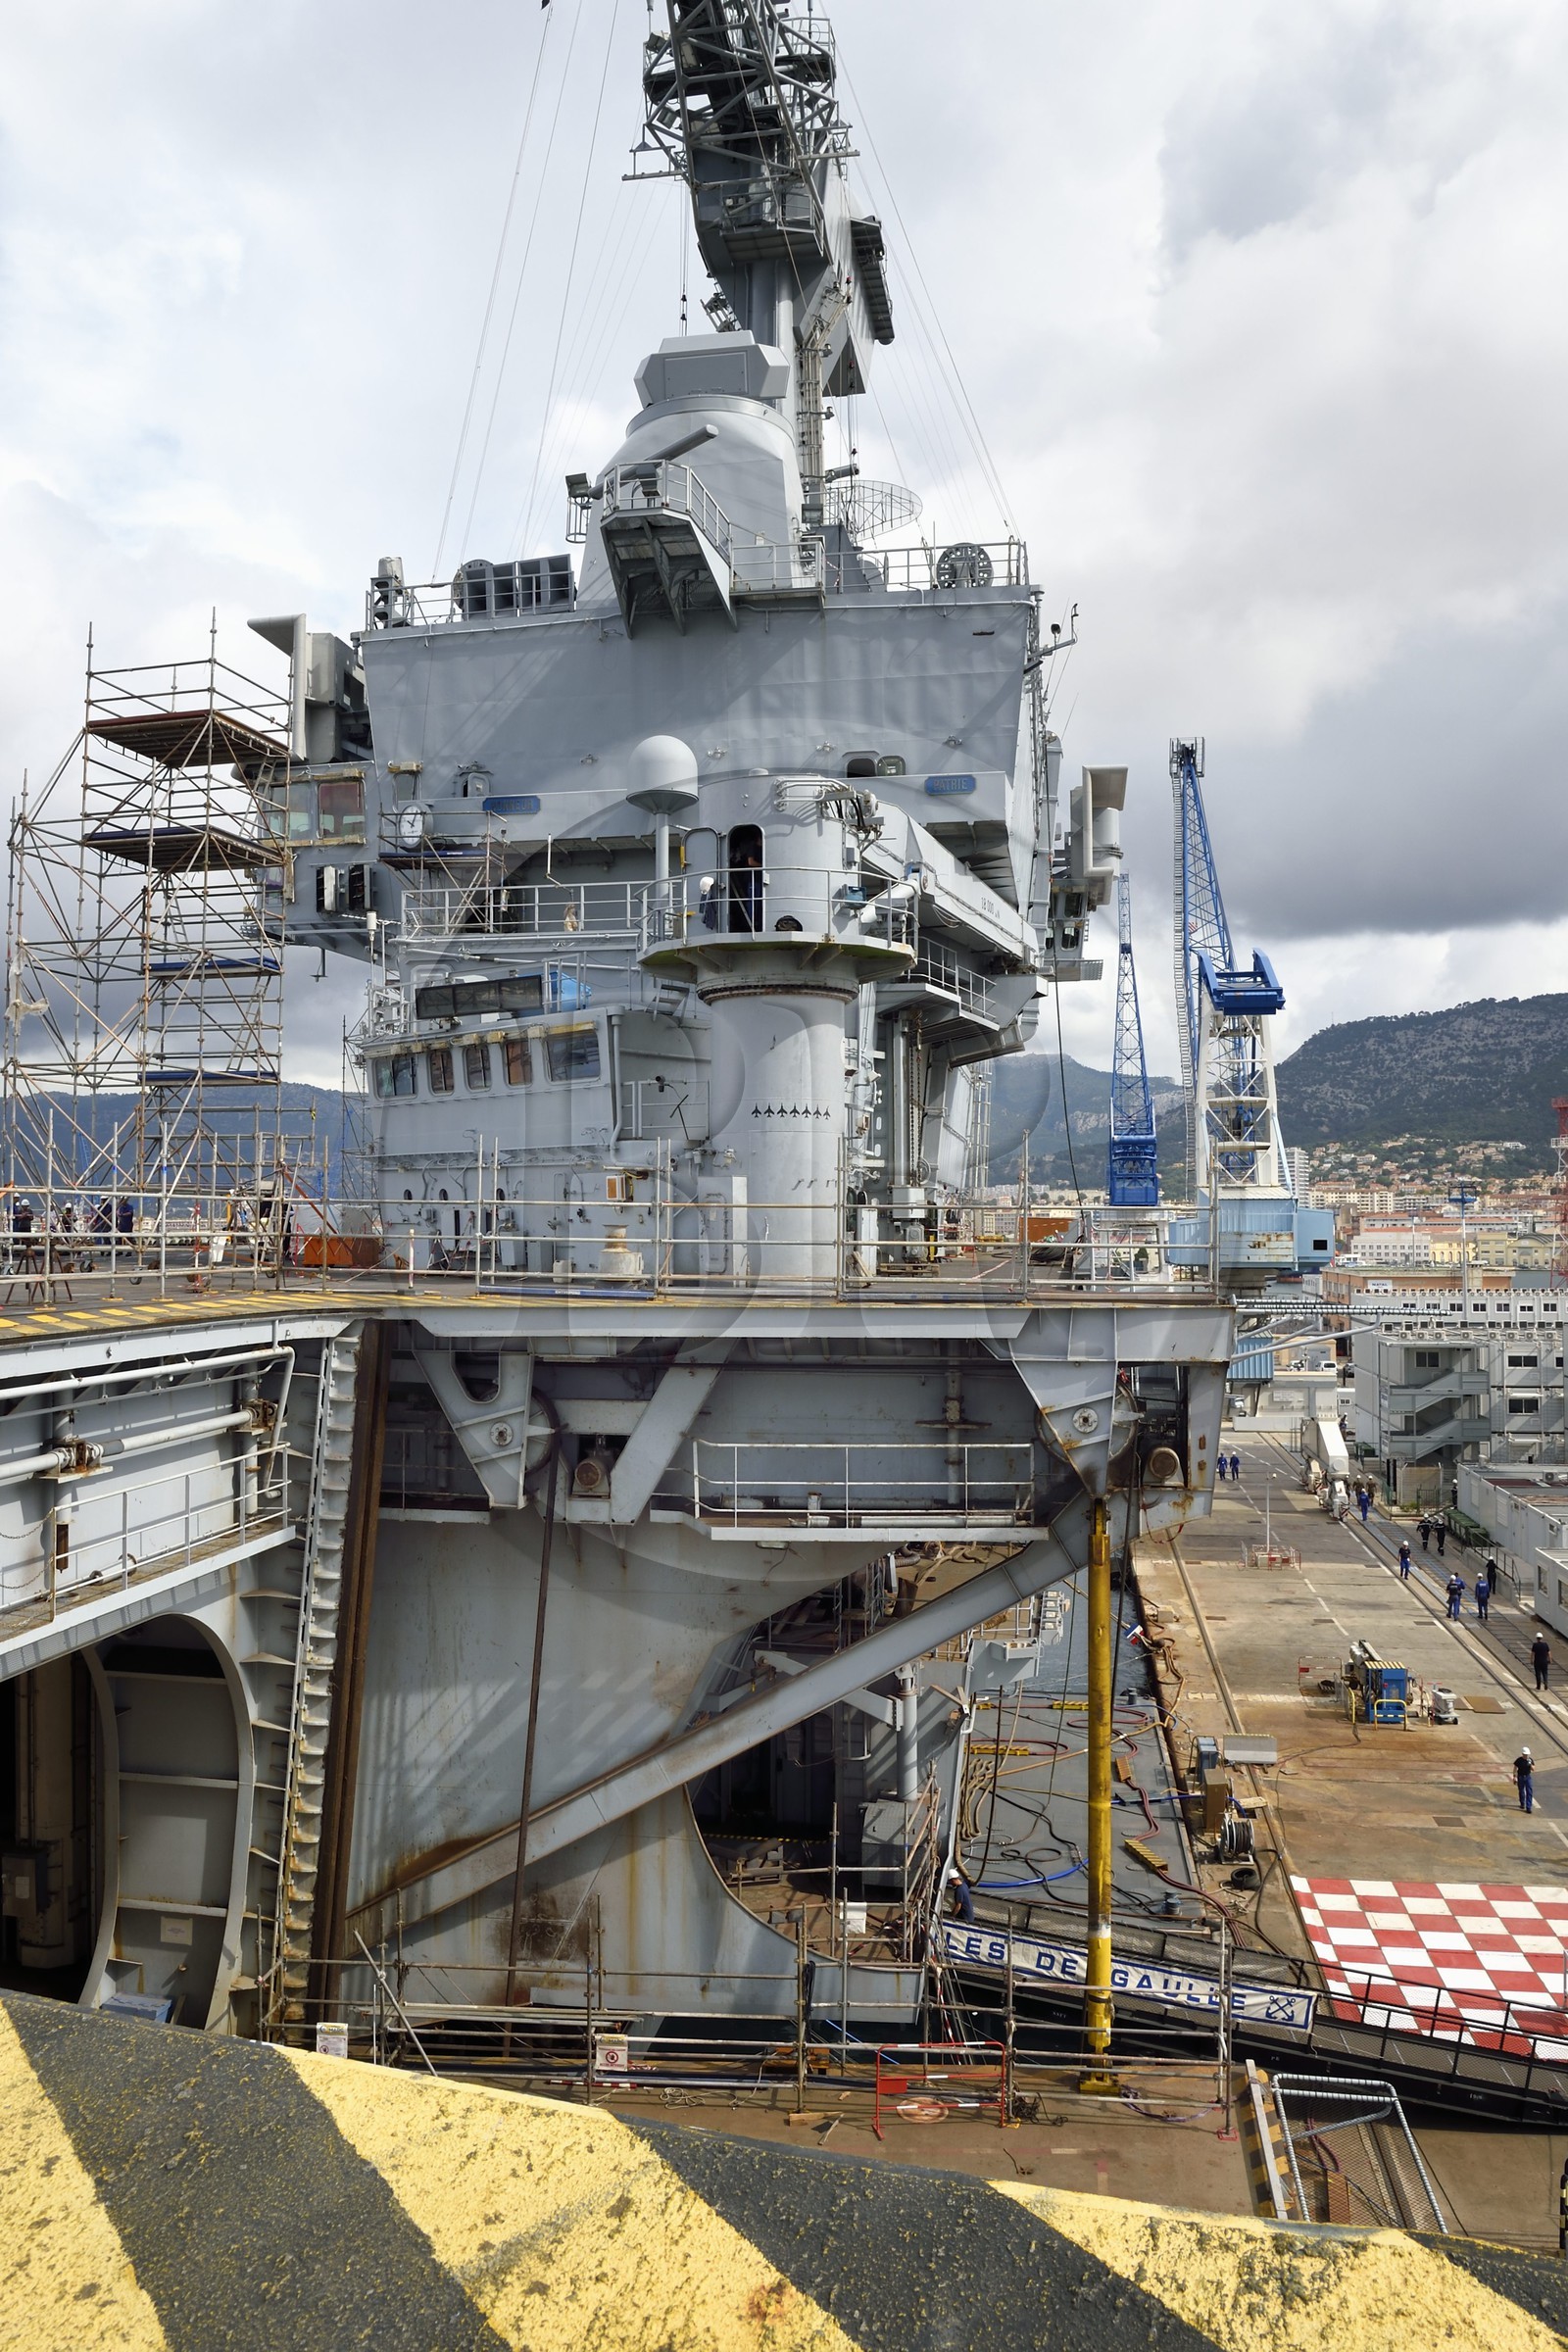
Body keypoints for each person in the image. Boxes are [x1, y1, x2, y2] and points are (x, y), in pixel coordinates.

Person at [1514, 1747, 1536, 1813]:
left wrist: (1530, 1765)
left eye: (1527, 1755)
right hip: (1520, 1777)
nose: (1526, 1756)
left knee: (1529, 1791)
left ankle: (1528, 1807)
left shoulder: (1530, 1760)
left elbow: (1533, 1769)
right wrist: (1514, 1777)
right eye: (1525, 1755)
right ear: (1522, 1754)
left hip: (1527, 1777)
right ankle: (1522, 1803)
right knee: (1521, 1791)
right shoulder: (1519, 1760)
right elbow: (1515, 1768)